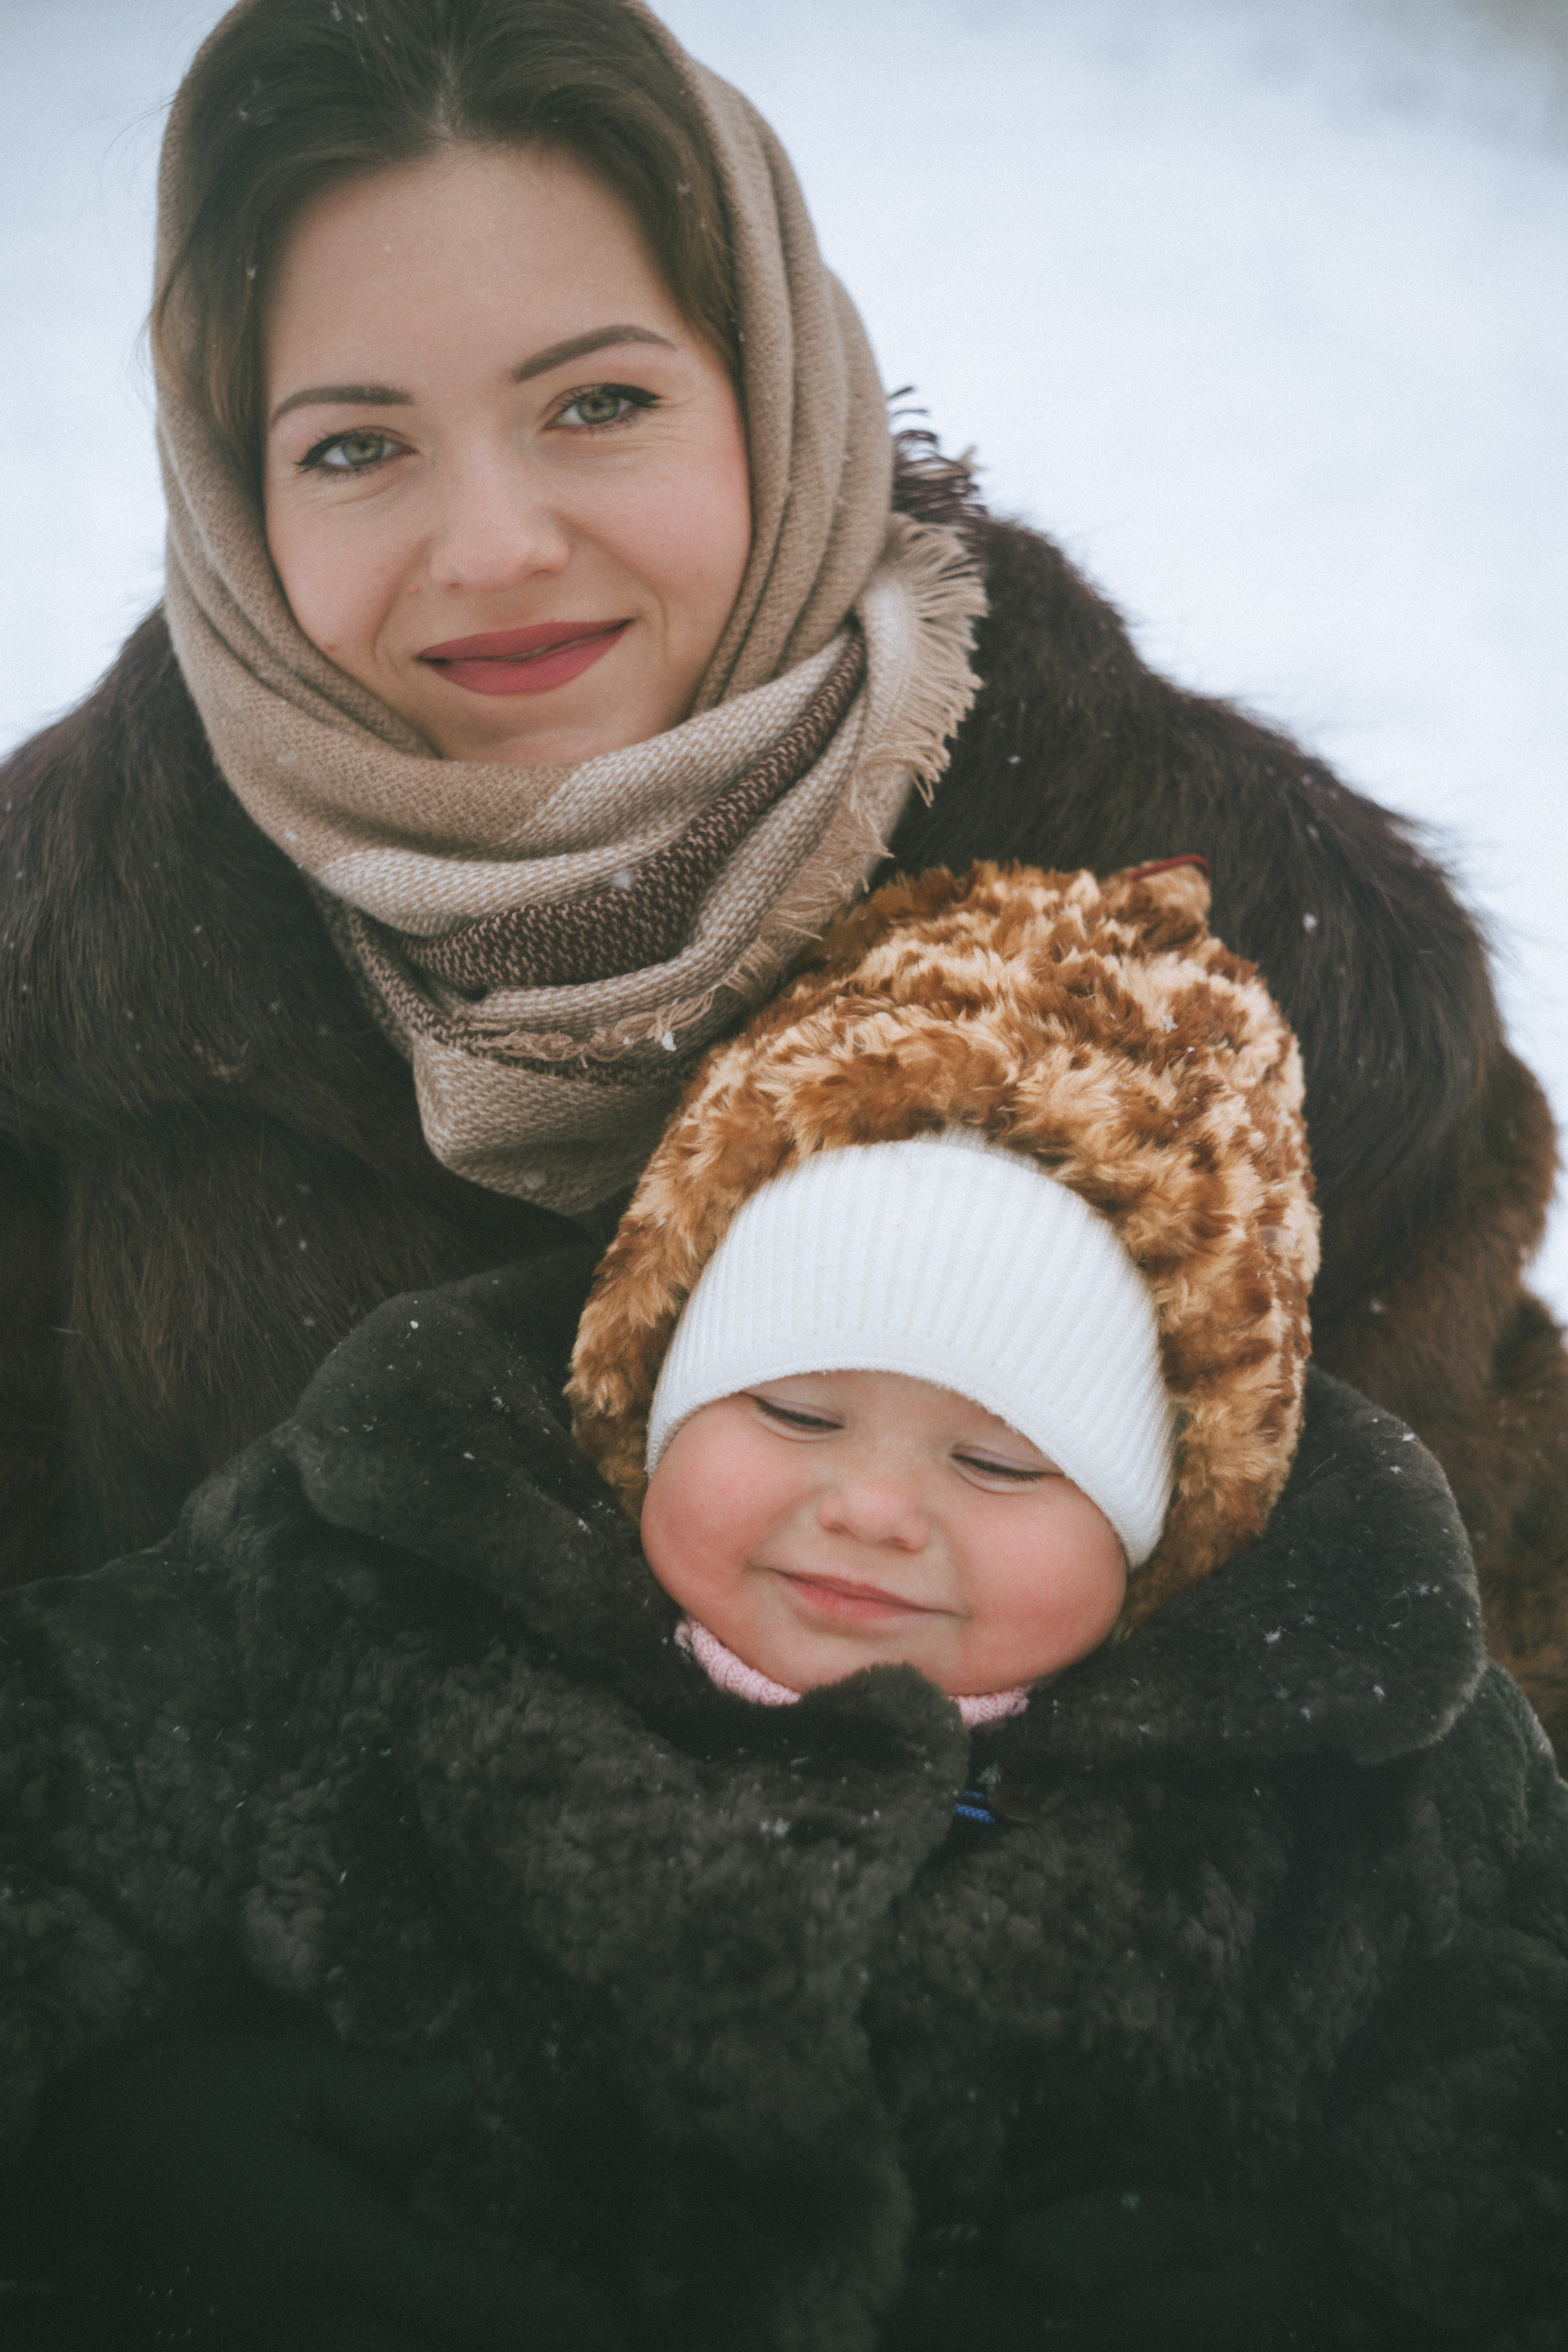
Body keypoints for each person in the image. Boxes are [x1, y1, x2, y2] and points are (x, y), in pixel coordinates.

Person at [2, 0, 1565, 2333]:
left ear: (784, 388)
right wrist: (103, 2184)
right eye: (353, 446)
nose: (492, 541)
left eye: (601, 400)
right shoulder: (54, 1037)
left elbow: (1494, 1647)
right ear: (236, 499)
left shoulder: (1241, 962)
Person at [4, 859, 1565, 2352]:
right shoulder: (354, 1592)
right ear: (645, 1394)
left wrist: (1358, 2302)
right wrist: (94, 2169)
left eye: (998, 1463)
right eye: (795, 1416)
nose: (872, 1505)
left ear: (1167, 1532)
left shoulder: (1353, 1797)